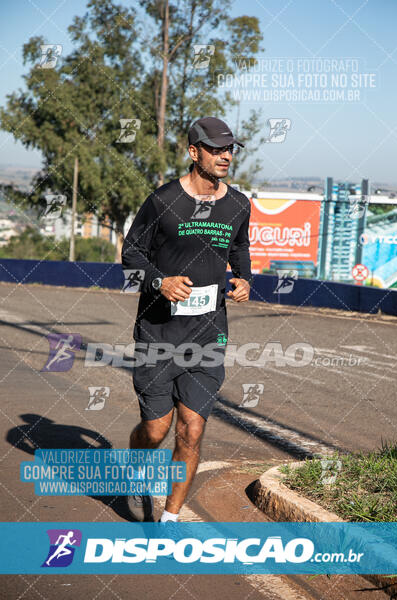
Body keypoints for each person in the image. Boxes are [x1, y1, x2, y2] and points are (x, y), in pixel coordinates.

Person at [121, 116, 252, 523]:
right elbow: (130, 257)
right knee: (156, 431)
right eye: (215, 149)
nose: (225, 156)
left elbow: (240, 249)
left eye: (229, 149)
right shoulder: (163, 201)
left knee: (191, 430)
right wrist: (160, 282)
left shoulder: (238, 204)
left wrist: (244, 279)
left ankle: (170, 518)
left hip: (208, 334)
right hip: (158, 332)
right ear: (194, 152)